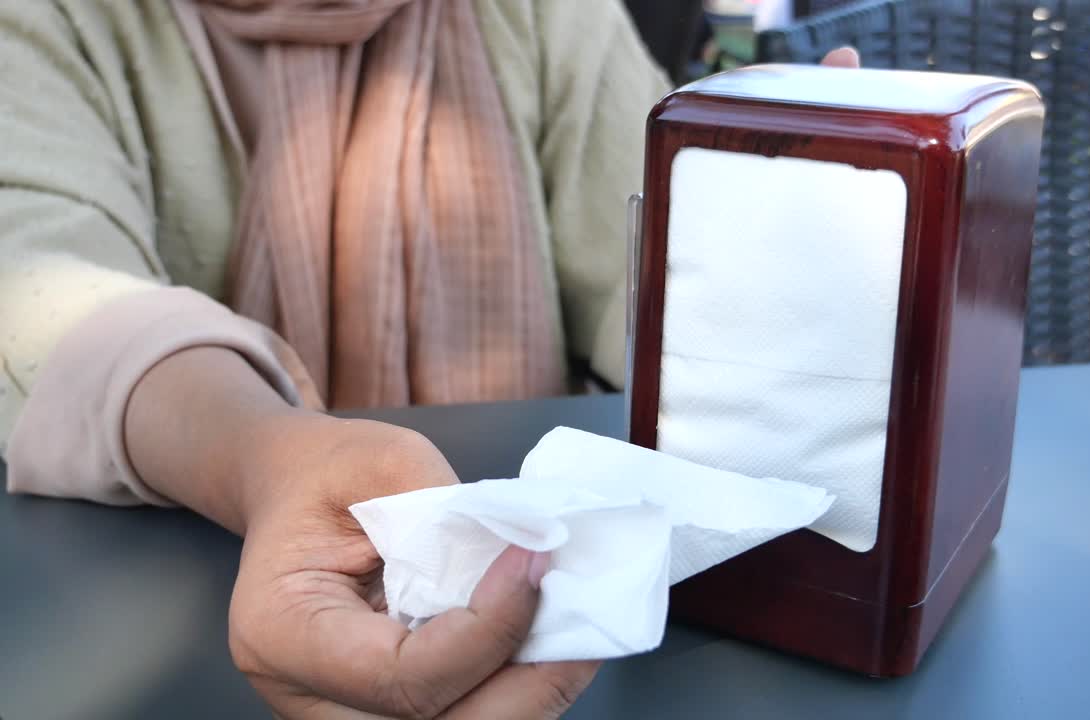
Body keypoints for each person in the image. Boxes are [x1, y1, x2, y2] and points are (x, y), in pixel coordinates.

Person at [0, 0, 860, 715]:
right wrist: (266, 457)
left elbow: (653, 268)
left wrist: (769, 240)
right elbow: (41, 287)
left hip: (587, 633)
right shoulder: (51, 22)